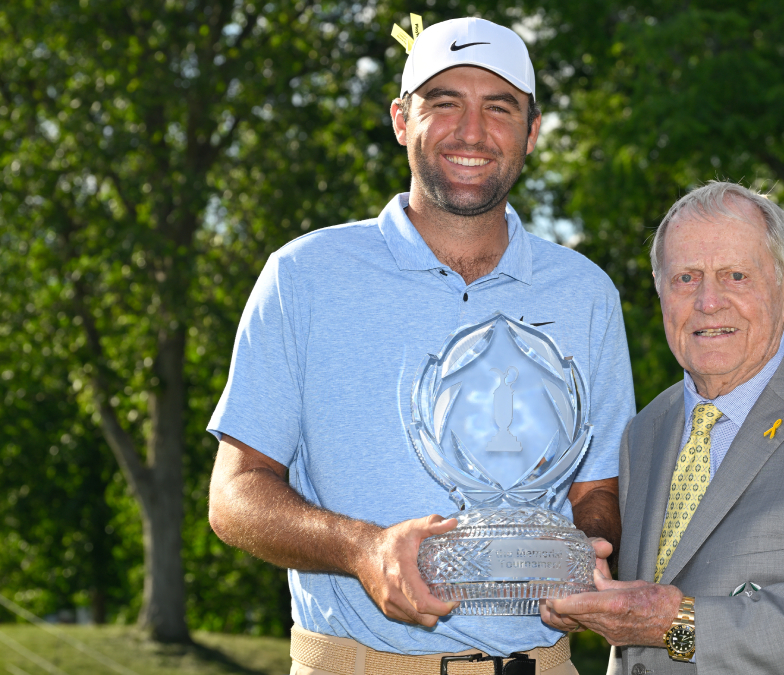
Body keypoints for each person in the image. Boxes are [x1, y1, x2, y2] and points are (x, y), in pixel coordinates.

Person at [206, 17, 634, 675]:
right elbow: (234, 495)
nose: (472, 131)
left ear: (532, 132)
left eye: (499, 108)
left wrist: (590, 553)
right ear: (402, 120)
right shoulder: (305, 275)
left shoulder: (585, 292)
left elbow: (596, 488)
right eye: (445, 103)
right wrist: (363, 549)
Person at [541, 182, 784, 674]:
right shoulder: (645, 432)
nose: (709, 302)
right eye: (686, 278)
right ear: (660, 291)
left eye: (736, 275)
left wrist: (678, 625)